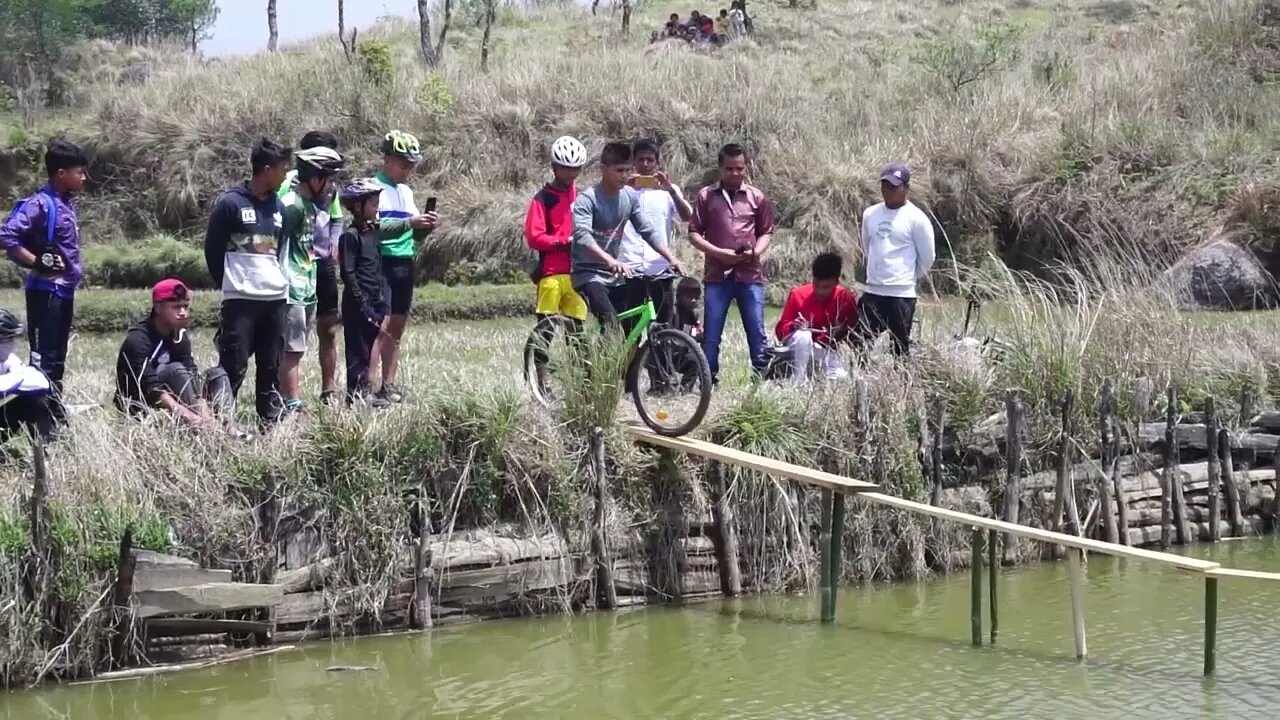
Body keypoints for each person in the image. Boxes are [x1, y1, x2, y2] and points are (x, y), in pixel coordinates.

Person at [204, 138, 293, 427]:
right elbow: (212, 251)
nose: (284, 175)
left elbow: (280, 252)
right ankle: (220, 424)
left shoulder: (280, 208)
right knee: (234, 364)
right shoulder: (231, 204)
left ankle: (270, 422)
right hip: (241, 301)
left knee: (271, 365)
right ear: (266, 170)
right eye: (282, 169)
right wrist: (231, 284)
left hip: (275, 301)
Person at [0, 138, 89, 426]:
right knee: (43, 361)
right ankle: (37, 424)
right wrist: (35, 261)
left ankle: (53, 415)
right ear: (61, 174)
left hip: (64, 292)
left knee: (58, 358)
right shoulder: (40, 204)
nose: (84, 178)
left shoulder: (65, 204)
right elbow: (7, 236)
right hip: (45, 293)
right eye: (79, 172)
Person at [339, 178, 434, 407]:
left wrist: (417, 224)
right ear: (358, 206)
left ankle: (366, 394)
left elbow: (394, 227)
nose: (377, 207)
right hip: (358, 303)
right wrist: (361, 301)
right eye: (373, 203)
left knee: (369, 345)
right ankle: (356, 397)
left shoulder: (373, 231)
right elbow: (348, 273)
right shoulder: (350, 236)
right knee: (358, 352)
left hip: (374, 299)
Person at [570, 142, 686, 330]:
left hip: (616, 274)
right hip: (588, 274)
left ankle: (630, 359)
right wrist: (609, 259)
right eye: (619, 171)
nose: (624, 176)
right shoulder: (588, 199)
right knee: (612, 324)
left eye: (627, 170)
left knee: (630, 326)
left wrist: (671, 258)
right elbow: (582, 236)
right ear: (603, 169)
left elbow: (646, 229)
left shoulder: (629, 197)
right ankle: (602, 358)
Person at [688, 143, 775, 384]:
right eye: (729, 169)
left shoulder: (757, 197)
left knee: (757, 331)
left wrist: (756, 252)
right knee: (712, 334)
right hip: (717, 274)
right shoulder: (707, 196)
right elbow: (694, 233)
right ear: (720, 168)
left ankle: (761, 379)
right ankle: (708, 381)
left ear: (746, 167)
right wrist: (718, 253)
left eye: (739, 168)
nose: (735, 173)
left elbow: (766, 231)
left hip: (750, 274)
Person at [278, 131, 345, 405]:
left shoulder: (324, 195)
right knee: (291, 341)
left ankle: (326, 390)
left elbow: (336, 220)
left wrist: (333, 245)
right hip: (293, 277)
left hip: (315, 270)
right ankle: (286, 398)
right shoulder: (290, 198)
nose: (332, 185)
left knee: (322, 330)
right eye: (328, 177)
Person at [373, 130, 439, 403]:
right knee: (379, 325)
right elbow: (373, 228)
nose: (407, 169)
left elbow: (413, 233)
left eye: (411, 164)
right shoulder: (373, 188)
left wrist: (424, 227)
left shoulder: (406, 191)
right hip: (382, 261)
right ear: (386, 158)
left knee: (397, 326)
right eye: (403, 163)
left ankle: (388, 385)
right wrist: (409, 224)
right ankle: (366, 385)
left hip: (404, 260)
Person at [114, 279, 220, 428]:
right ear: (158, 308)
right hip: (144, 405)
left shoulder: (179, 336)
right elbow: (151, 387)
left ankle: (225, 428)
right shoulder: (137, 340)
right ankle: (202, 427)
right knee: (175, 369)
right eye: (176, 307)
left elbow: (191, 372)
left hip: (176, 398)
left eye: (185, 306)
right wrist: (187, 415)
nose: (183, 312)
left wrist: (204, 413)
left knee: (217, 375)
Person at [858, 163, 935, 357]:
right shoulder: (870, 214)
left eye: (893, 187)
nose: (888, 191)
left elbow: (927, 257)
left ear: (906, 189)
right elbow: (868, 246)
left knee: (899, 347)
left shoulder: (916, 219)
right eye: (884, 186)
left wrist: (907, 278)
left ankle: (899, 382)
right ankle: (860, 382)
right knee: (859, 341)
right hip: (873, 291)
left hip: (901, 294)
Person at [619, 138, 693, 330]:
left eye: (650, 160)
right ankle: (629, 360)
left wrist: (671, 191)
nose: (645, 164)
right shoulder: (622, 190)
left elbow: (687, 217)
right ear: (633, 162)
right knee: (630, 329)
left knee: (664, 326)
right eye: (641, 159)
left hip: (660, 268)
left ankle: (657, 361)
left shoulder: (668, 191)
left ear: (657, 163)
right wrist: (625, 187)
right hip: (630, 267)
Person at [526, 135, 589, 357]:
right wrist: (563, 241)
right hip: (551, 274)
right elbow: (534, 237)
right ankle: (540, 380)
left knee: (578, 334)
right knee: (546, 331)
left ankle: (581, 381)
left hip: (577, 273)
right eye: (566, 168)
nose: (572, 174)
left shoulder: (581, 196)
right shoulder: (543, 198)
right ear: (554, 167)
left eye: (576, 169)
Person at [775, 253, 858, 384]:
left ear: (836, 282)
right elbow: (781, 329)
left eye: (826, 287)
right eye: (816, 285)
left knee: (842, 378)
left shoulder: (845, 298)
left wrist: (837, 332)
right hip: (797, 349)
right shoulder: (797, 294)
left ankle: (815, 375)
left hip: (825, 350)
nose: (819, 291)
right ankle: (798, 382)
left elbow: (852, 331)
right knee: (804, 335)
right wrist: (793, 326)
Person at [0, 308, 55, 444]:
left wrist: (15, 378)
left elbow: (41, 384)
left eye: (12, 338)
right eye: (8, 339)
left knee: (35, 398)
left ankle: (42, 456)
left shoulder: (9, 361)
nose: (12, 345)